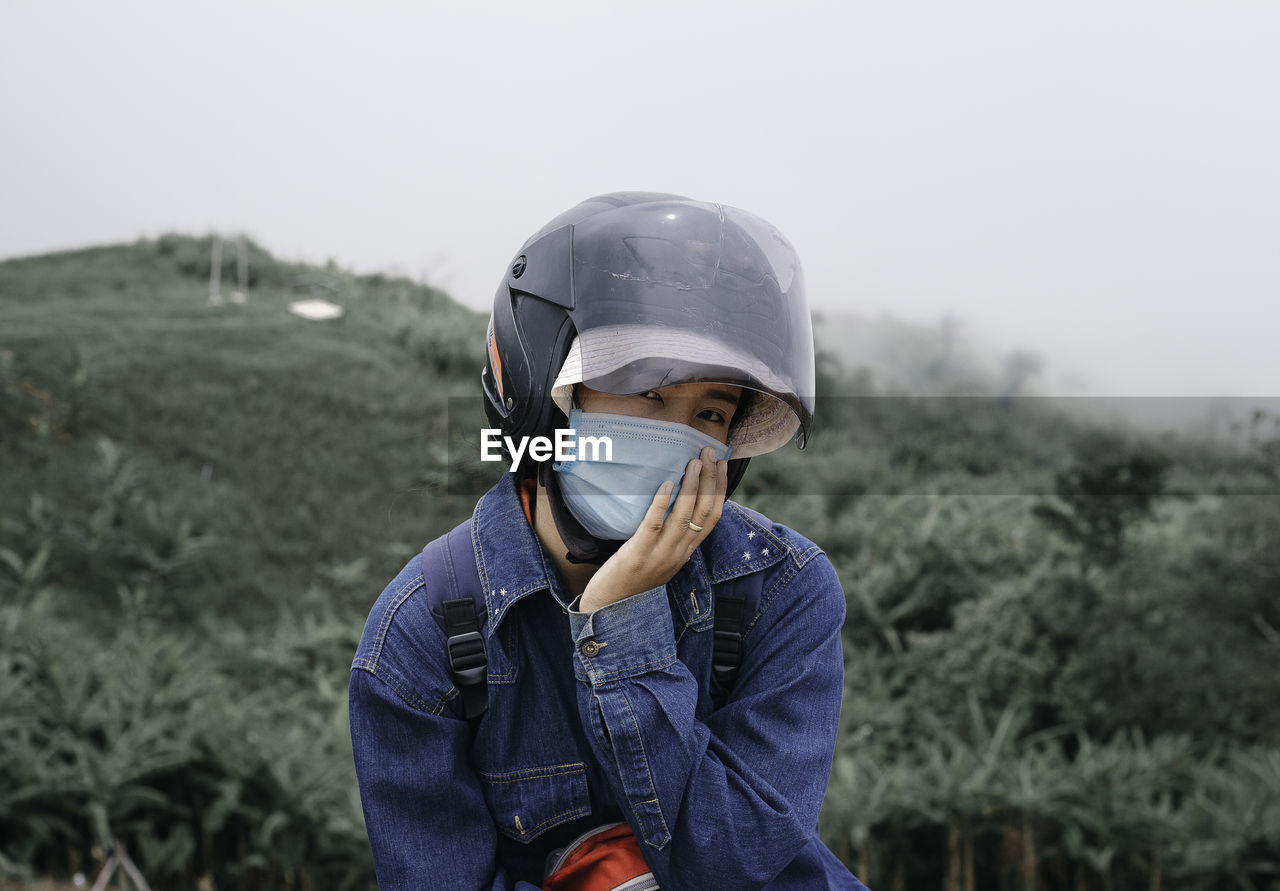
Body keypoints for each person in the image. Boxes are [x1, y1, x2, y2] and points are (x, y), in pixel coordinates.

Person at [349, 192, 868, 890]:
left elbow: (742, 865)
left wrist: (623, 626)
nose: (679, 430)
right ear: (544, 394)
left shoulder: (782, 588)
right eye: (646, 389)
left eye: (710, 410)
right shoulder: (421, 637)